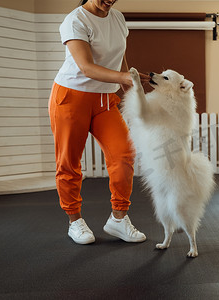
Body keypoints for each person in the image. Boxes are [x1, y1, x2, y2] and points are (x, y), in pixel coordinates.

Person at [48, 0, 150, 244]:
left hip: (105, 99)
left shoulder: (118, 18)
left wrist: (130, 85)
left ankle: (118, 219)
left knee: (124, 154)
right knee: (69, 162)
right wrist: (124, 77)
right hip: (71, 96)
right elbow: (86, 67)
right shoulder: (75, 20)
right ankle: (75, 221)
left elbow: (119, 57)